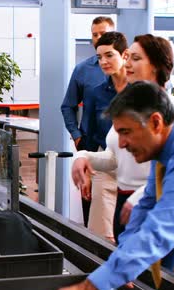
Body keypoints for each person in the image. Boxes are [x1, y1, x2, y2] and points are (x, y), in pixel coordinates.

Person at [50, 81, 174, 290]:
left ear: (155, 122)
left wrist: (88, 289)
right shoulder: (168, 148)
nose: (122, 144)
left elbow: (159, 232)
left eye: (126, 132)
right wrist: (123, 258)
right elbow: (146, 206)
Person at [73, 35, 174, 270]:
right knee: (134, 288)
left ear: (157, 66)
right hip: (125, 206)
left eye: (136, 58)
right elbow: (115, 159)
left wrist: (140, 198)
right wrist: (83, 157)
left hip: (158, 211)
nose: (127, 63)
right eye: (128, 57)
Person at [60, 16, 115, 226]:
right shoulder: (82, 70)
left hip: (120, 149)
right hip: (91, 145)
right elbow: (68, 106)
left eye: (103, 33)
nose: (99, 38)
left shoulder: (127, 73)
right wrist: (76, 136)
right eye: (95, 34)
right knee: (89, 200)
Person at [76, 31, 128, 241]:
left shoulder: (141, 91)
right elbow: (87, 130)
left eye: (109, 55)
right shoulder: (96, 92)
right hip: (104, 165)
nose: (104, 61)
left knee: (128, 234)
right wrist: (85, 165)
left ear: (124, 55)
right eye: (99, 57)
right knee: (100, 235)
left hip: (135, 167)